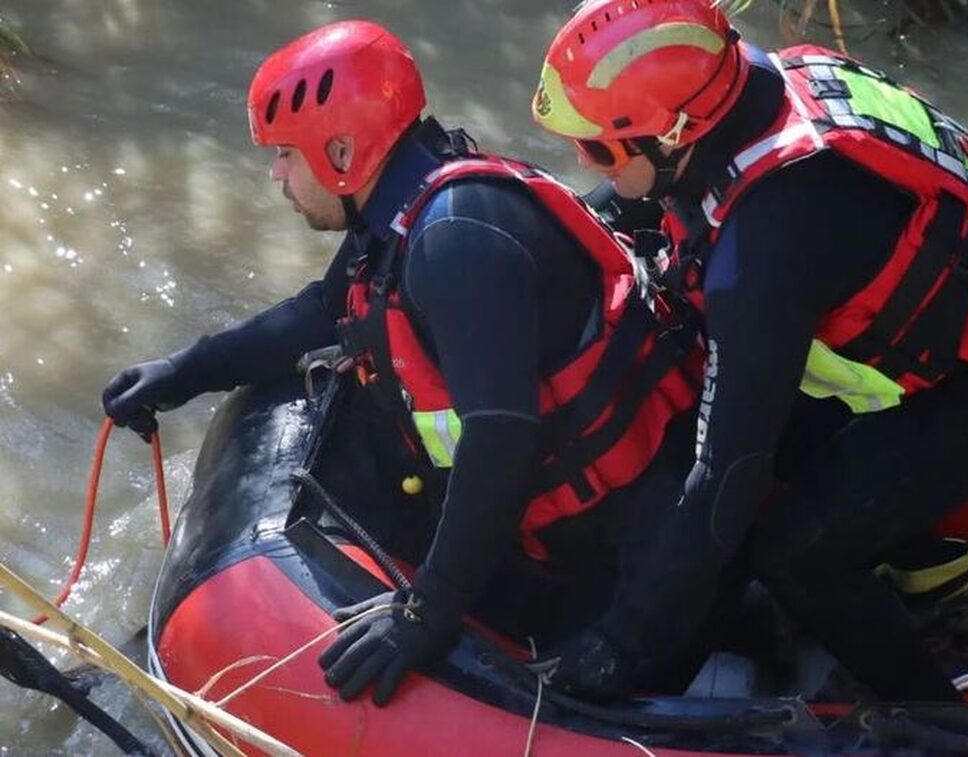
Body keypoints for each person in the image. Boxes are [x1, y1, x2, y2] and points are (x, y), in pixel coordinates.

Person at [101, 19, 702, 707]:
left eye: (285, 156)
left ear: (341, 152)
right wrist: (184, 371)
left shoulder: (454, 240)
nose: (274, 174)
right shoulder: (405, 203)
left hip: (644, 552)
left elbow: (503, 441)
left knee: (570, 691)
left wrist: (424, 615)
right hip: (569, 529)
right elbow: (322, 310)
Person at [531, 0, 968, 701]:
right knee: (783, 448)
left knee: (795, 553)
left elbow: (727, 473)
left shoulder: (765, 248)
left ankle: (939, 719)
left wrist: (623, 642)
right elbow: (634, 205)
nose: (582, 157)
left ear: (678, 136)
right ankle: (925, 565)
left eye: (598, 148)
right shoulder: (756, 85)